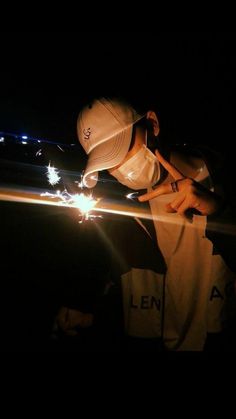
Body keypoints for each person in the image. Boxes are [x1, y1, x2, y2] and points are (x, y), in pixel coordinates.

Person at [76, 96, 236, 351]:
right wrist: (82, 303)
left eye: (121, 150)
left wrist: (220, 213)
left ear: (152, 124)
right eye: (107, 164)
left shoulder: (227, 175)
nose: (120, 169)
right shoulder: (124, 217)